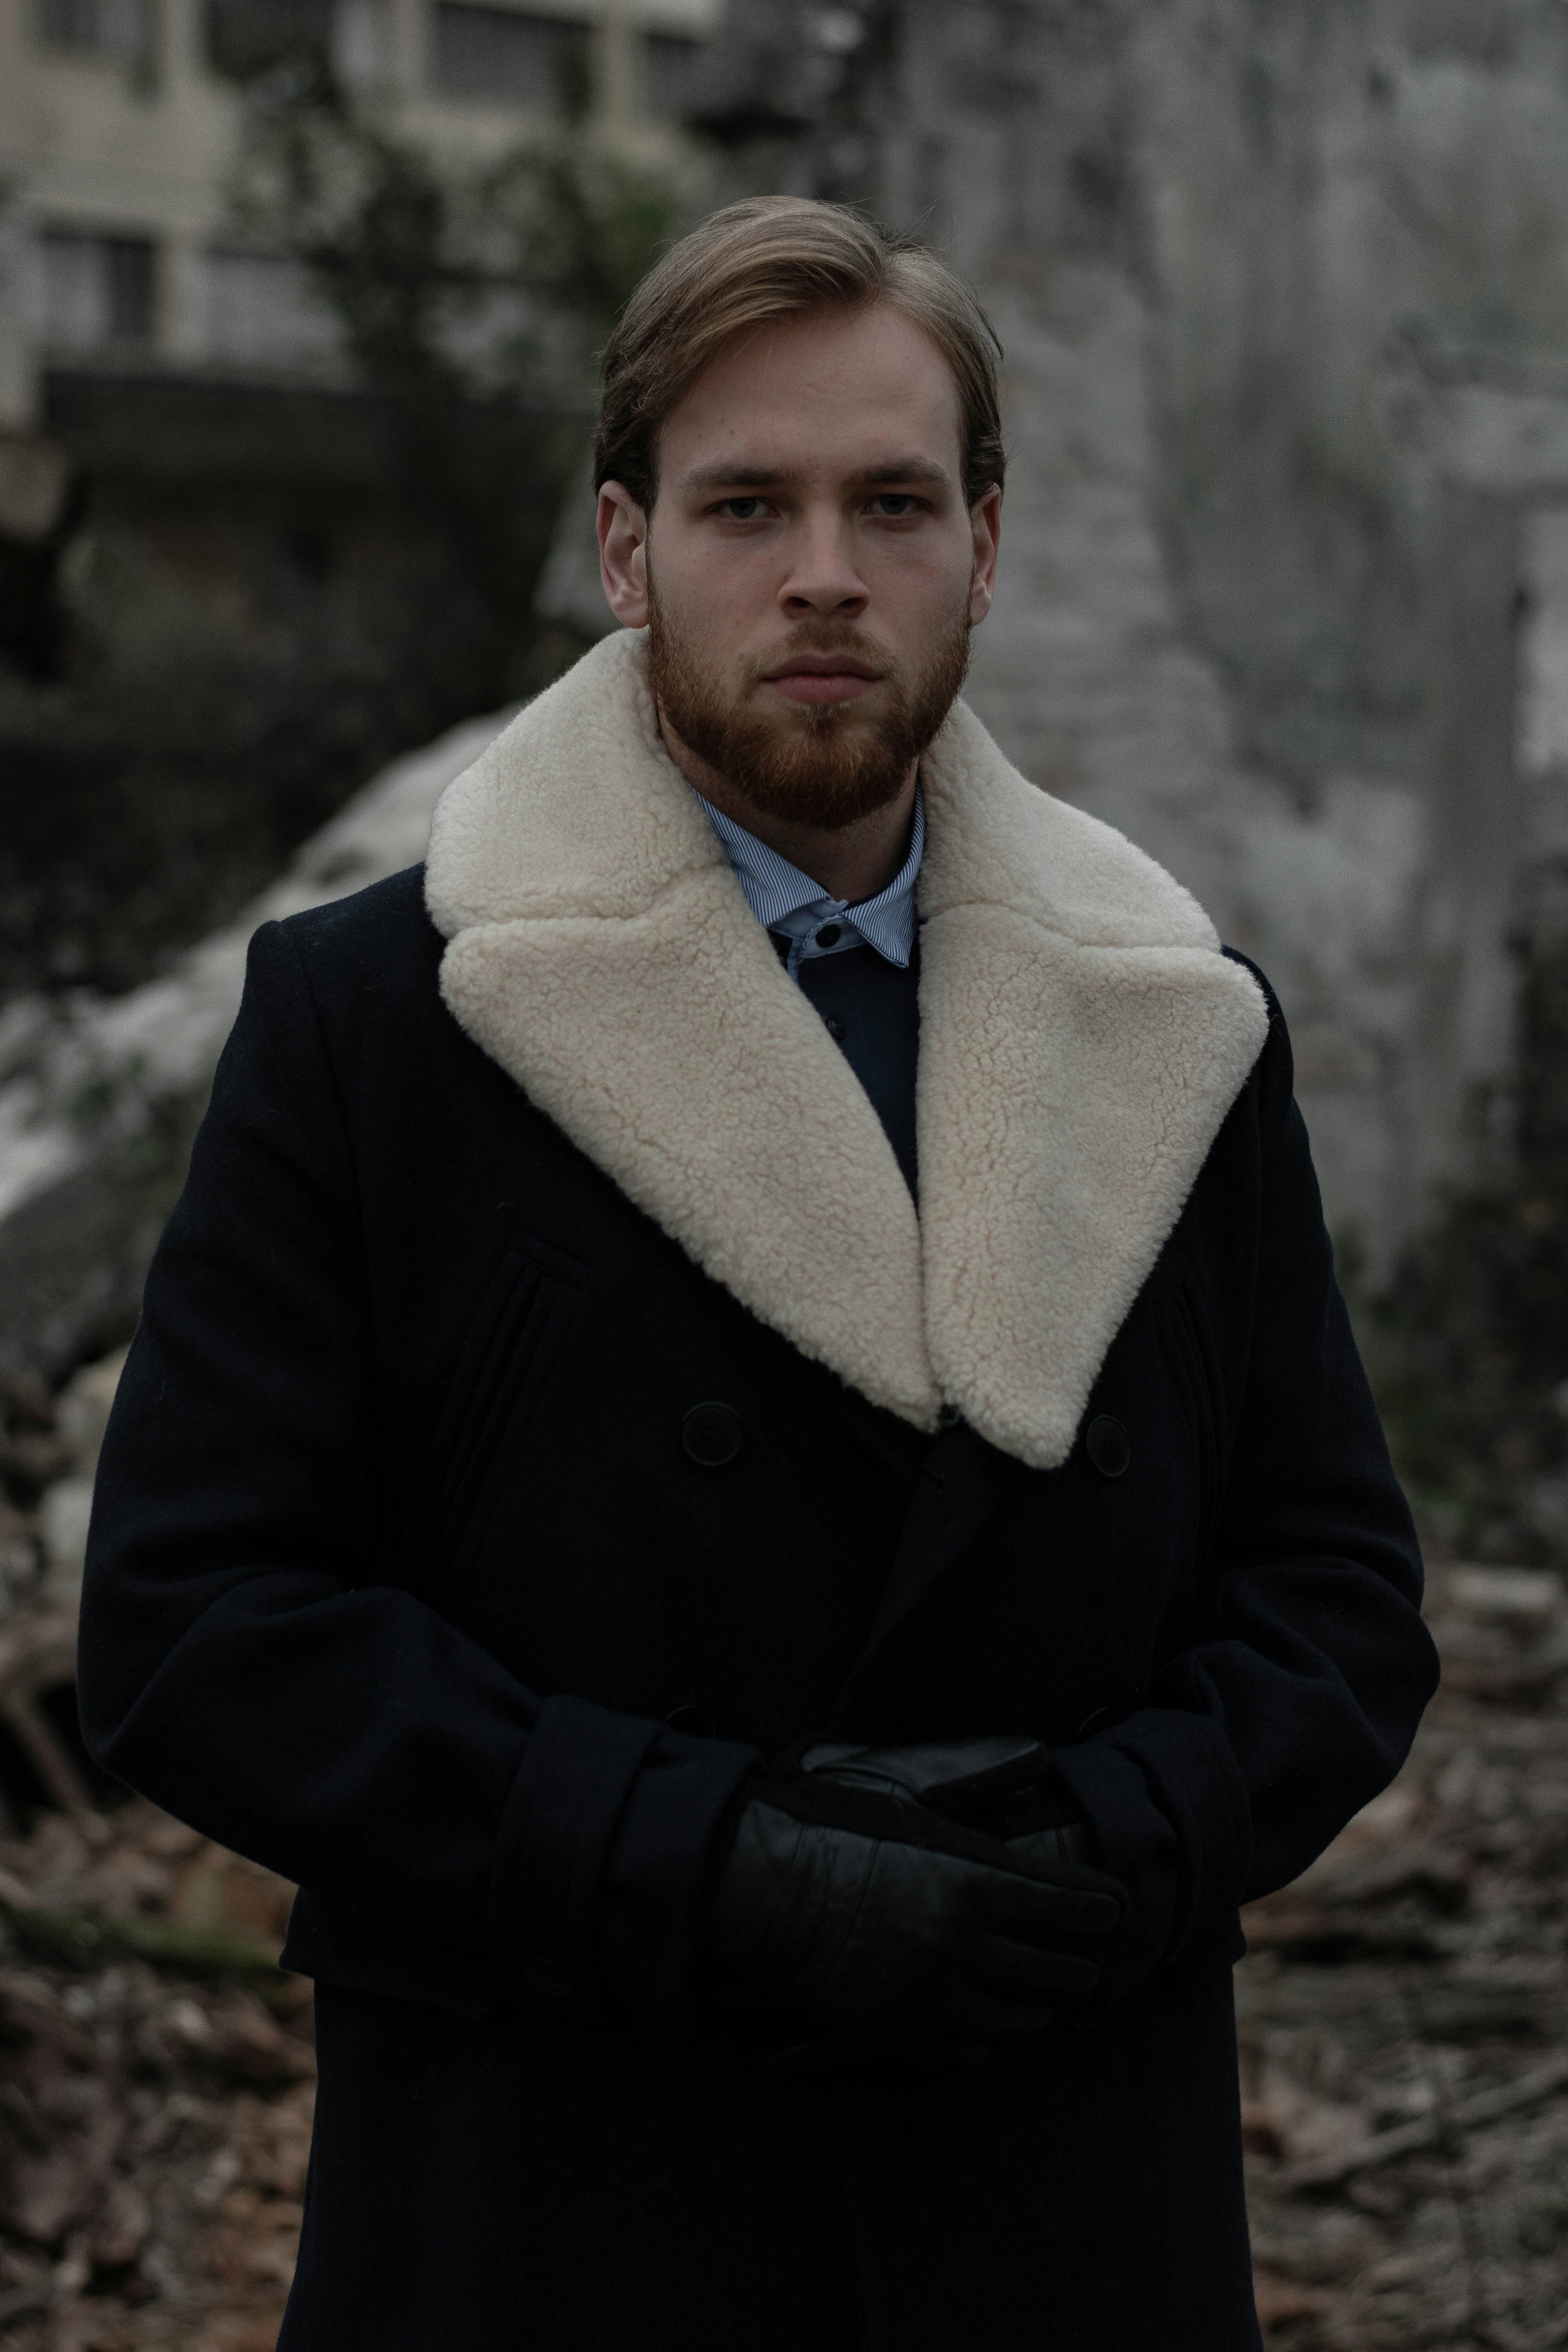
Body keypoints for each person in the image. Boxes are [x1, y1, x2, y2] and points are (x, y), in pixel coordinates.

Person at [78, 196, 1439, 2351]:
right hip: (552, 2210)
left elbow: (1338, 1603)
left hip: (1061, 2208)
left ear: (987, 548)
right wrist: (689, 1857)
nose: (825, 571)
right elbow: (190, 1623)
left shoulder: (1173, 1021)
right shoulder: (379, 1020)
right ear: (625, 552)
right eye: (747, 504)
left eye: (893, 500)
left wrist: (1105, 1842)